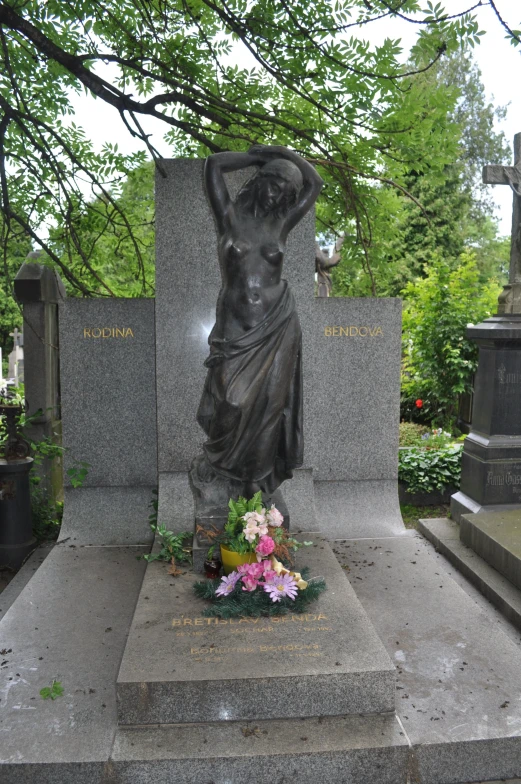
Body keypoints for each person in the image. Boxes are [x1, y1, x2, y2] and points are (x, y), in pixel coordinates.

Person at [193, 145, 323, 500]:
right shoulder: (229, 217)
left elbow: (316, 184)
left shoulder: (280, 223)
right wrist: (262, 155)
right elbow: (214, 165)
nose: (277, 196)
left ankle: (255, 481)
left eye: (285, 193)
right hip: (237, 330)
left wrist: (288, 156)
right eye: (274, 185)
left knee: (269, 406)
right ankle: (224, 468)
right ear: (260, 180)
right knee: (231, 402)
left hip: (278, 326)